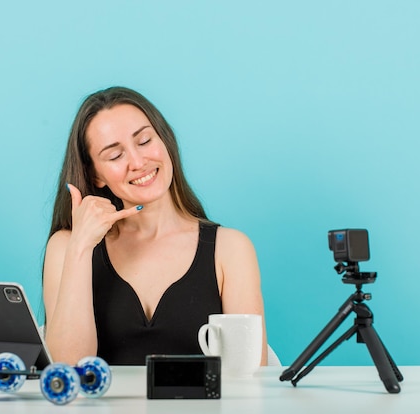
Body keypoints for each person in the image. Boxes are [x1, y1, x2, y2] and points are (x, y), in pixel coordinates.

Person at [42, 86, 267, 366]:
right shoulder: (67, 247)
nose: (138, 162)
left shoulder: (230, 249)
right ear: (95, 175)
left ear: (165, 140)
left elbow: (249, 378)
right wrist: (81, 246)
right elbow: (67, 370)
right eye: (114, 156)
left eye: (145, 140)